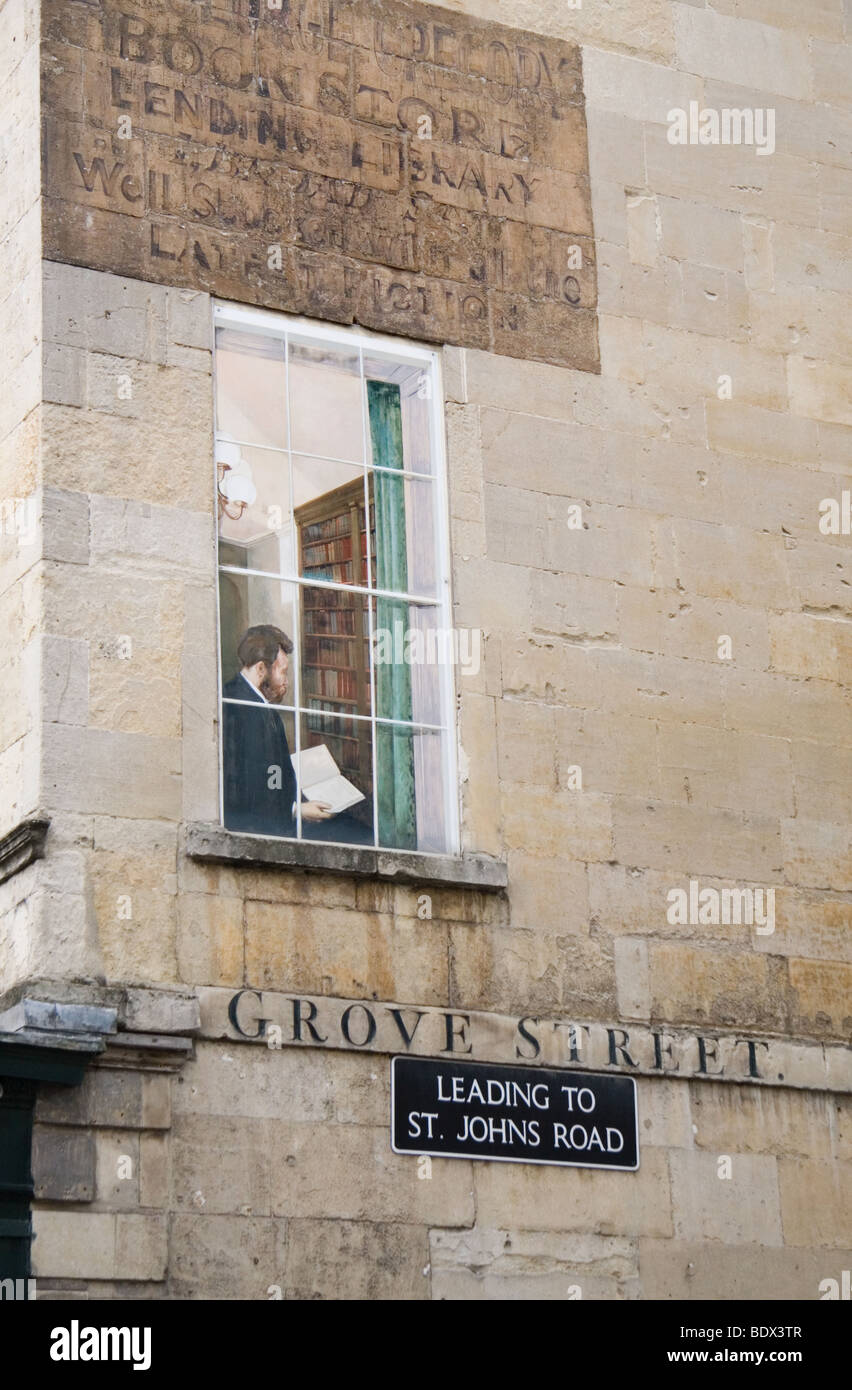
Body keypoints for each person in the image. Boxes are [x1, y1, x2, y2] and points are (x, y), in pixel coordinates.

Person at [222, 625, 333, 836]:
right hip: (259, 832)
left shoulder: (250, 699)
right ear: (261, 669)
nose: (286, 681)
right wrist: (296, 809)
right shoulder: (244, 710)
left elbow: (272, 774)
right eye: (282, 672)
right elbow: (255, 786)